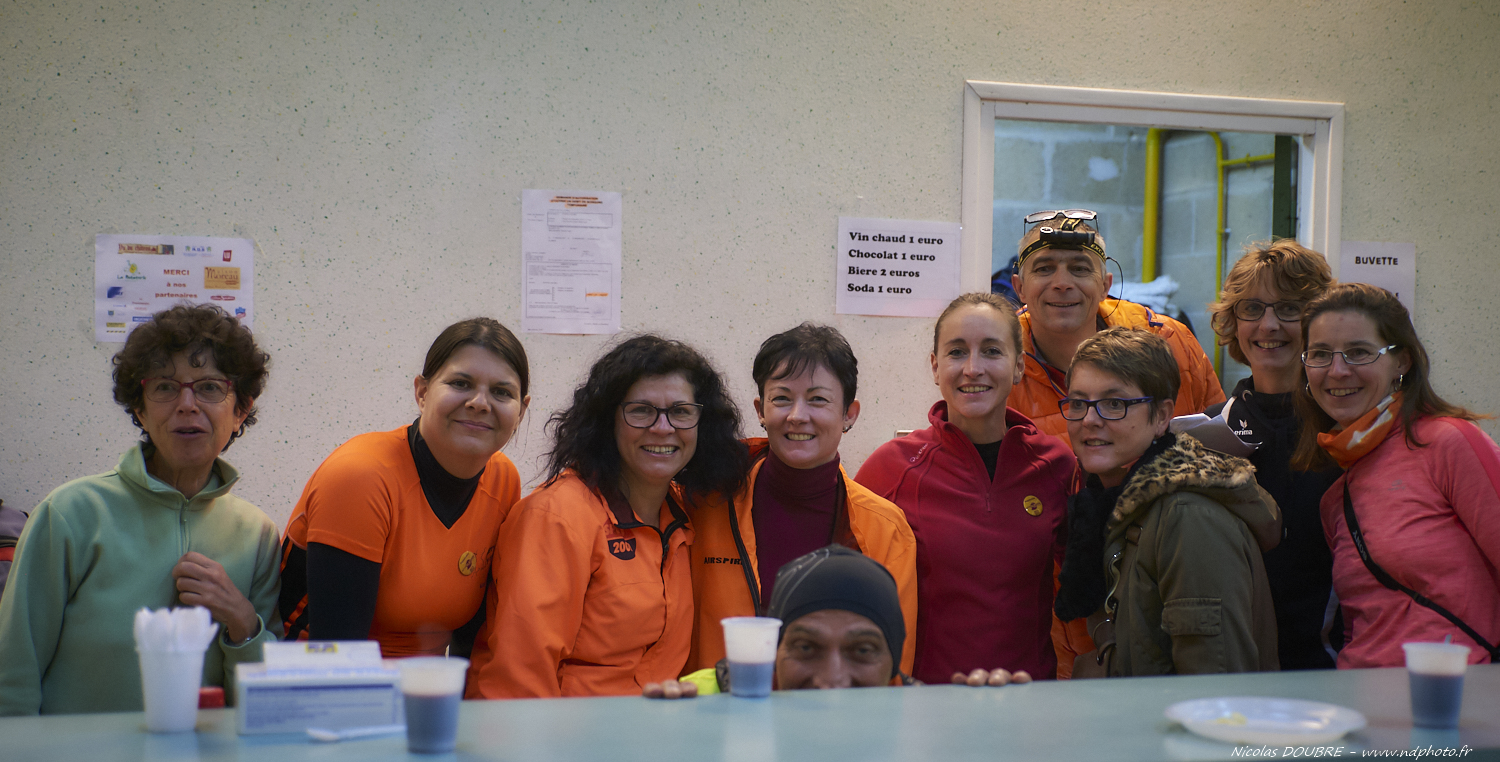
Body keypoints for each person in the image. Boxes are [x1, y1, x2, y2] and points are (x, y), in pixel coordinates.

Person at [0, 304, 279, 715]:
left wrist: (242, 620)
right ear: (140, 410)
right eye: (165, 387)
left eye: (209, 387)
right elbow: (12, 676)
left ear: (241, 410)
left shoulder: (257, 534)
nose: (187, 404)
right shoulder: (71, 514)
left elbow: (269, 702)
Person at [1004, 210, 1226, 676]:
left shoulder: (1169, 344)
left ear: (1105, 283)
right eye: (1044, 268)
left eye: (1079, 268)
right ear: (1018, 287)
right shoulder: (999, 362)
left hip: (1169, 581)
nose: (1062, 283)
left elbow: (1219, 451)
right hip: (1051, 609)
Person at [468, 335, 748, 698]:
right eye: (641, 410)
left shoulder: (684, 514)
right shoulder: (557, 517)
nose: (663, 427)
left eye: (681, 411)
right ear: (607, 420)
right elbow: (519, 682)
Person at [856, 293, 1077, 682]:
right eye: (957, 352)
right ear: (935, 366)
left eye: (991, 351)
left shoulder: (1056, 465)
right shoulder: (891, 468)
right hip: (925, 700)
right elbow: (849, 594)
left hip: (1028, 698)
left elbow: (1087, 586)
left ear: (1019, 366)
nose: (973, 369)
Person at [278, 318, 528, 659]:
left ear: (522, 410)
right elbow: (336, 656)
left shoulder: (504, 480)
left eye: (502, 392)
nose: (480, 403)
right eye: (460, 383)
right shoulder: (360, 477)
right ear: (422, 392)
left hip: (426, 682)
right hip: (317, 676)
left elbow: (472, 641)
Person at [688, 323, 918, 676]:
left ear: (849, 414)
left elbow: (892, 665)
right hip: (714, 705)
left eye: (818, 399)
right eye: (781, 398)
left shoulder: (885, 528)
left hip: (834, 705)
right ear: (760, 410)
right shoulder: (706, 503)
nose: (797, 416)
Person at [1291, 283, 1500, 668]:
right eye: (1320, 354)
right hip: (1362, 693)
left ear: (1401, 362)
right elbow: (1361, 625)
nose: (1338, 370)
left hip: (1455, 693)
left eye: (1359, 352)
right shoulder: (1336, 497)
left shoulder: (1448, 443)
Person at [1054, 327, 1280, 677]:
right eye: (1079, 403)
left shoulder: (1189, 518)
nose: (1090, 420)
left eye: (1114, 404)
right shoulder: (1113, 504)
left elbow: (1215, 682)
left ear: (1161, 417)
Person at [1204, 241, 1341, 670]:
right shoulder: (1207, 432)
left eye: (1289, 309)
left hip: (1332, 670)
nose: (1269, 325)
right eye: (1252, 308)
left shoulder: (1347, 429)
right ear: (1233, 321)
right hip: (1234, 670)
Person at [646, 546, 1028, 697]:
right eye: (806, 647)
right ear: (773, 652)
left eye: (862, 650)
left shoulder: (926, 722)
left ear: (894, 664)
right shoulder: (709, 701)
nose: (831, 680)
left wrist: (993, 734)